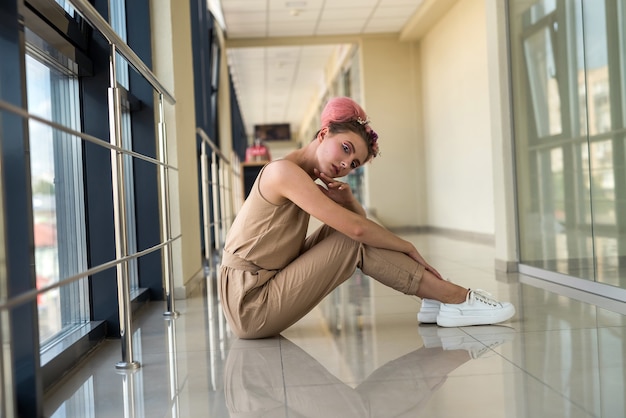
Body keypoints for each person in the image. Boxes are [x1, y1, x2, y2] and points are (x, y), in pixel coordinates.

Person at [219, 96, 515, 339]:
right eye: (345, 149)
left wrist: (349, 201)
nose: (346, 164)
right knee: (352, 238)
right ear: (323, 134)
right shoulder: (282, 172)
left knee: (347, 234)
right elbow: (358, 233)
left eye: (354, 163)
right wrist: (407, 246)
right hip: (250, 303)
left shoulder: (303, 177)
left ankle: (437, 298)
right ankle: (455, 298)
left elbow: (359, 228)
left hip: (261, 284)